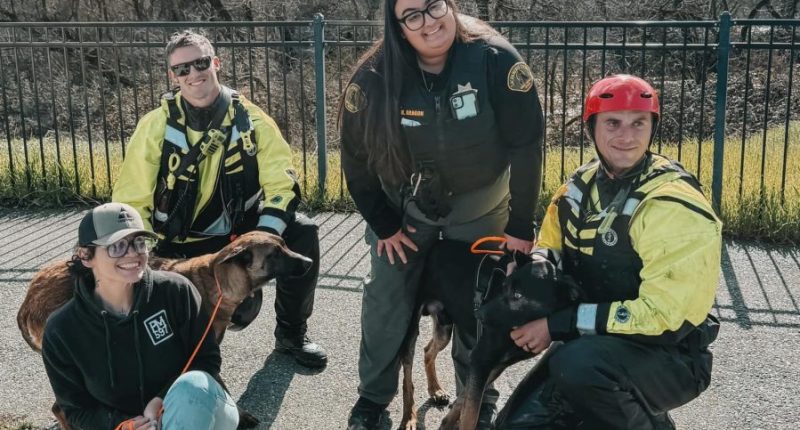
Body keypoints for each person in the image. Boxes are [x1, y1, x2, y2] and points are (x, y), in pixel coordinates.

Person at [339, 0, 544, 428]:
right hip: (406, 209)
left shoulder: (494, 60)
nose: (429, 22)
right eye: (412, 15)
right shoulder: (373, 77)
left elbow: (527, 144)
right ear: (397, 27)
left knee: (481, 302)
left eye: (434, 6)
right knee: (388, 298)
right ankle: (372, 400)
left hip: (481, 203)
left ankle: (477, 399)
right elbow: (355, 159)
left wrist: (521, 225)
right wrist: (383, 224)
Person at [500, 74, 722, 429]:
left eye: (639, 123)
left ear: (652, 127)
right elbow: (550, 245)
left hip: (669, 355)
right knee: (515, 424)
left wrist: (558, 325)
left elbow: (663, 317)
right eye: (613, 123)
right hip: (595, 344)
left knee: (578, 368)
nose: (626, 136)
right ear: (592, 127)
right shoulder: (579, 186)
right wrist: (535, 269)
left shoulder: (672, 203)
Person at [112, 30, 326, 368]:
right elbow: (130, 199)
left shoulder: (253, 120)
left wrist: (261, 240)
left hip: (235, 237)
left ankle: (291, 333)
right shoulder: (155, 126)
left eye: (200, 63)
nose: (193, 74)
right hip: (175, 242)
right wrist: (145, 252)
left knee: (304, 231)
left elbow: (282, 186)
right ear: (173, 76)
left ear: (216, 63)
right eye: (182, 69)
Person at [41, 202, 238, 429]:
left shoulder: (176, 291)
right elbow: (77, 410)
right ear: (85, 256)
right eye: (117, 246)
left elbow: (206, 360)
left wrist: (160, 400)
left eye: (139, 243)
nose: (133, 253)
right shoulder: (61, 329)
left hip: (198, 409)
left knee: (193, 385)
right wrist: (123, 425)